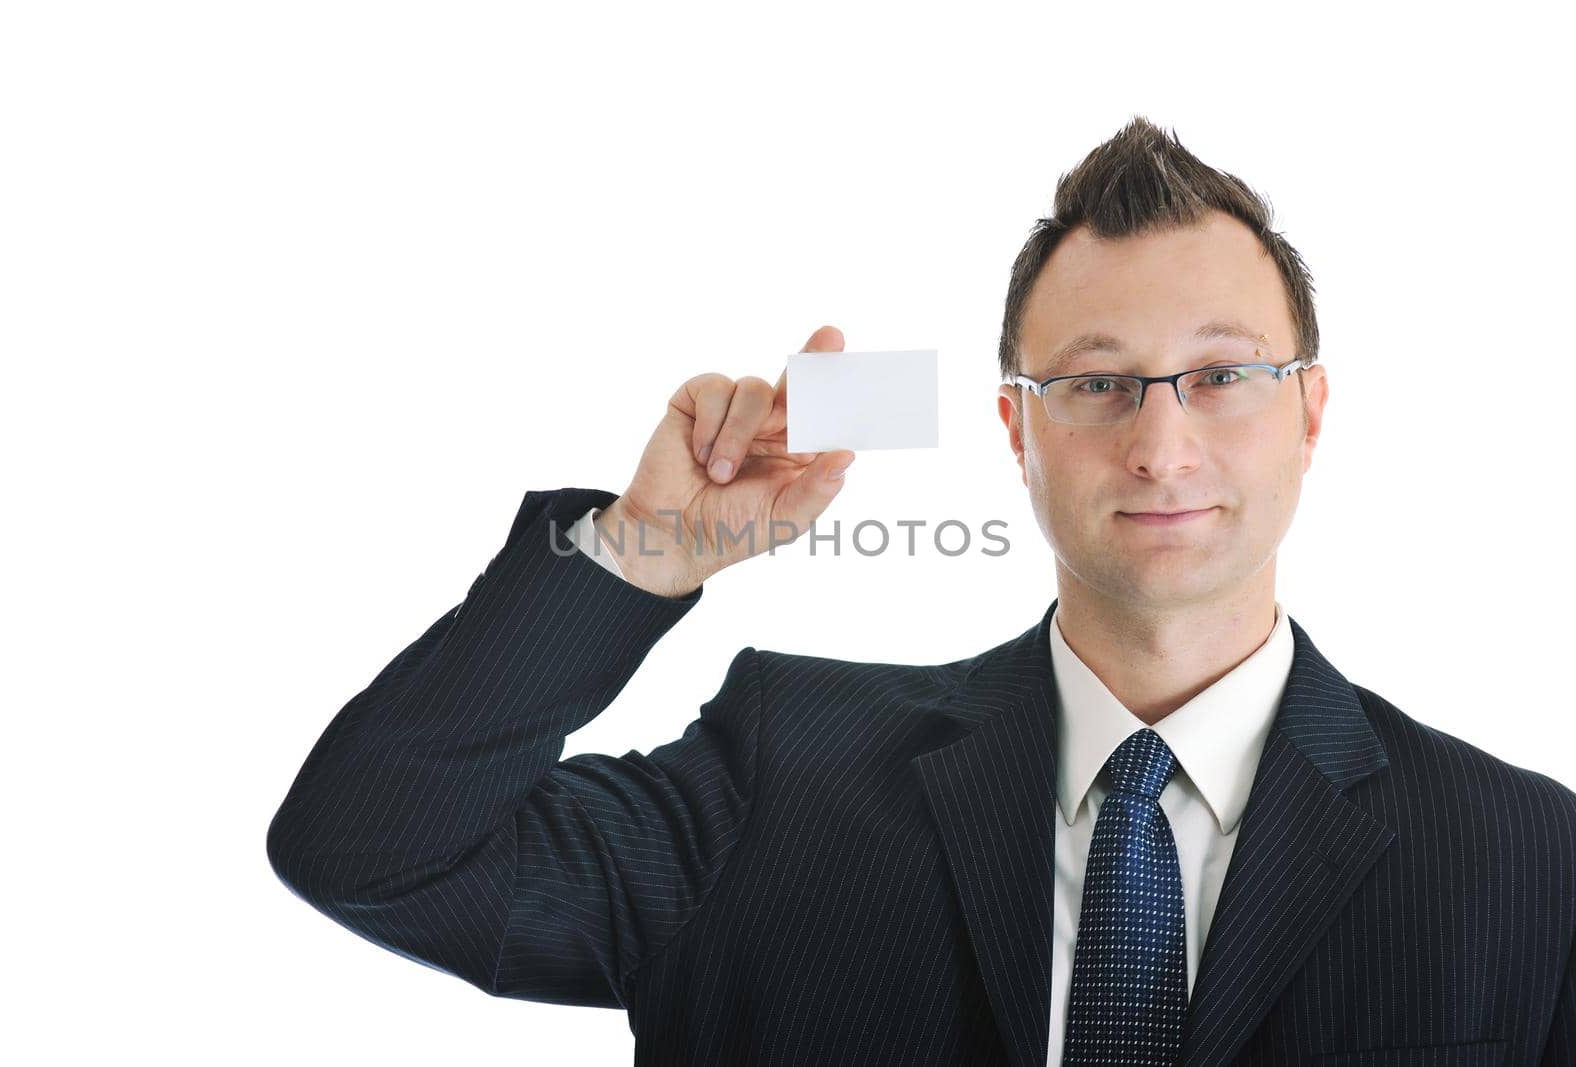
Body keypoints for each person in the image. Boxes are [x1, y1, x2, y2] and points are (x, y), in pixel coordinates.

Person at [266, 116, 1576, 1065]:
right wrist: (643, 552)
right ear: (1015, 428)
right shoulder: (777, 774)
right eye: (1095, 381)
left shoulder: (1530, 862)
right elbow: (372, 853)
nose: (1160, 446)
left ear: (1312, 412)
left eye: (1222, 376)